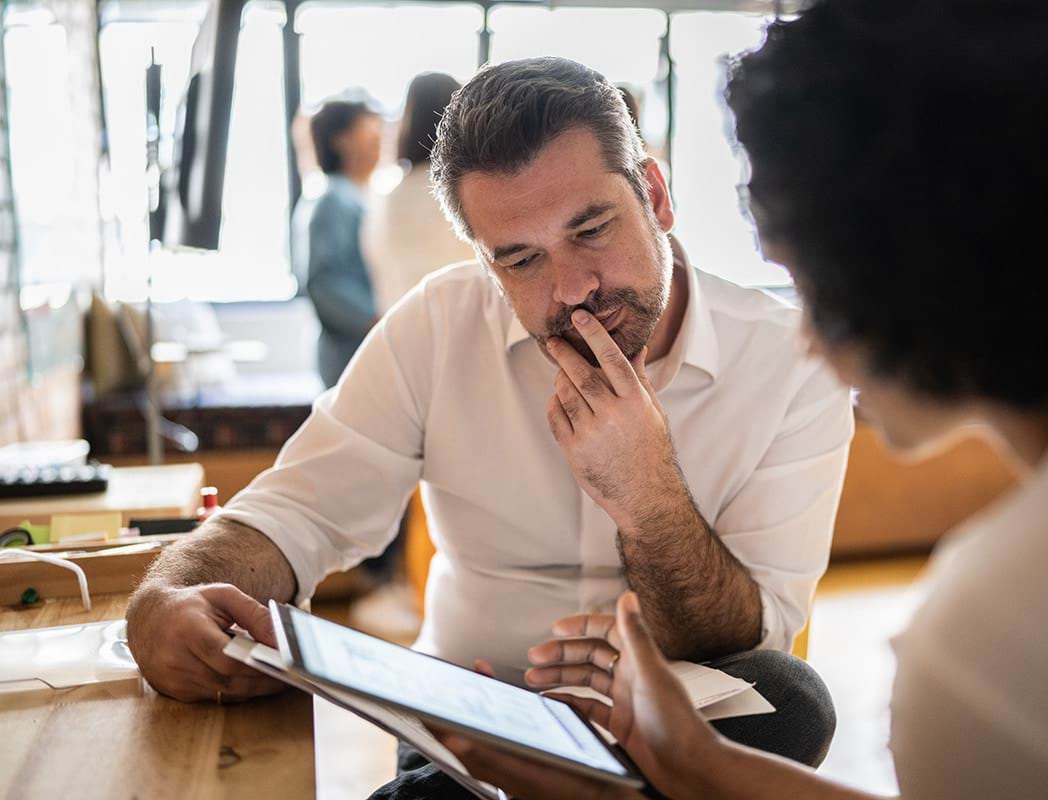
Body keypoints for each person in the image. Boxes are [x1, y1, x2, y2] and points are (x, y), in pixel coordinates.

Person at [434, 1, 1048, 798]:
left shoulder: (998, 649)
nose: (808, 340)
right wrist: (699, 766)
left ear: (919, 263)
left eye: (812, 285)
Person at [124, 57, 854, 797]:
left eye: (592, 229)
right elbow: (291, 514)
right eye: (521, 259)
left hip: (671, 717)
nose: (572, 291)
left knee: (791, 700)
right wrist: (166, 597)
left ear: (656, 196)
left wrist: (649, 494)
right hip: (478, 713)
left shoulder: (792, 362)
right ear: (485, 259)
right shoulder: (438, 326)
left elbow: (750, 638)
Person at [361, 72, 474, 315]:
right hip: (465, 323)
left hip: (400, 326)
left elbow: (377, 270)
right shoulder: (465, 190)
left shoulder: (385, 196)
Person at [304, 97, 383, 388]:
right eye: (369, 129)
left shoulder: (359, 196)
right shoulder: (332, 201)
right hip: (349, 354)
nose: (379, 136)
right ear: (342, 141)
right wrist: (377, 318)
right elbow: (325, 283)